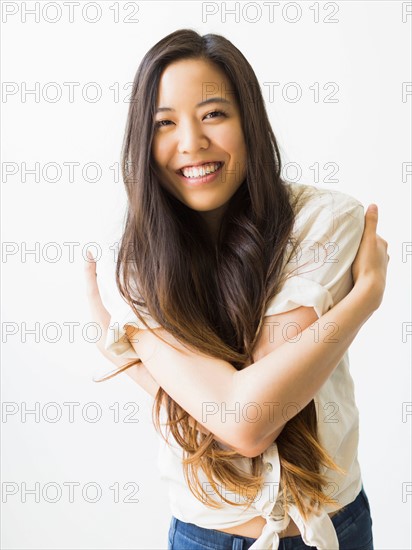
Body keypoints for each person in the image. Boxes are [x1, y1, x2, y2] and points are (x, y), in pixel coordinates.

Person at [84, 29, 389, 550]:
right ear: (142, 141)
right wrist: (363, 301)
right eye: (164, 123)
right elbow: (245, 418)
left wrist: (149, 364)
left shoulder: (323, 221)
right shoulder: (133, 264)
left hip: (332, 529)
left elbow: (248, 422)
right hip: (202, 535)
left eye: (213, 115)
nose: (191, 143)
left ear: (250, 121)